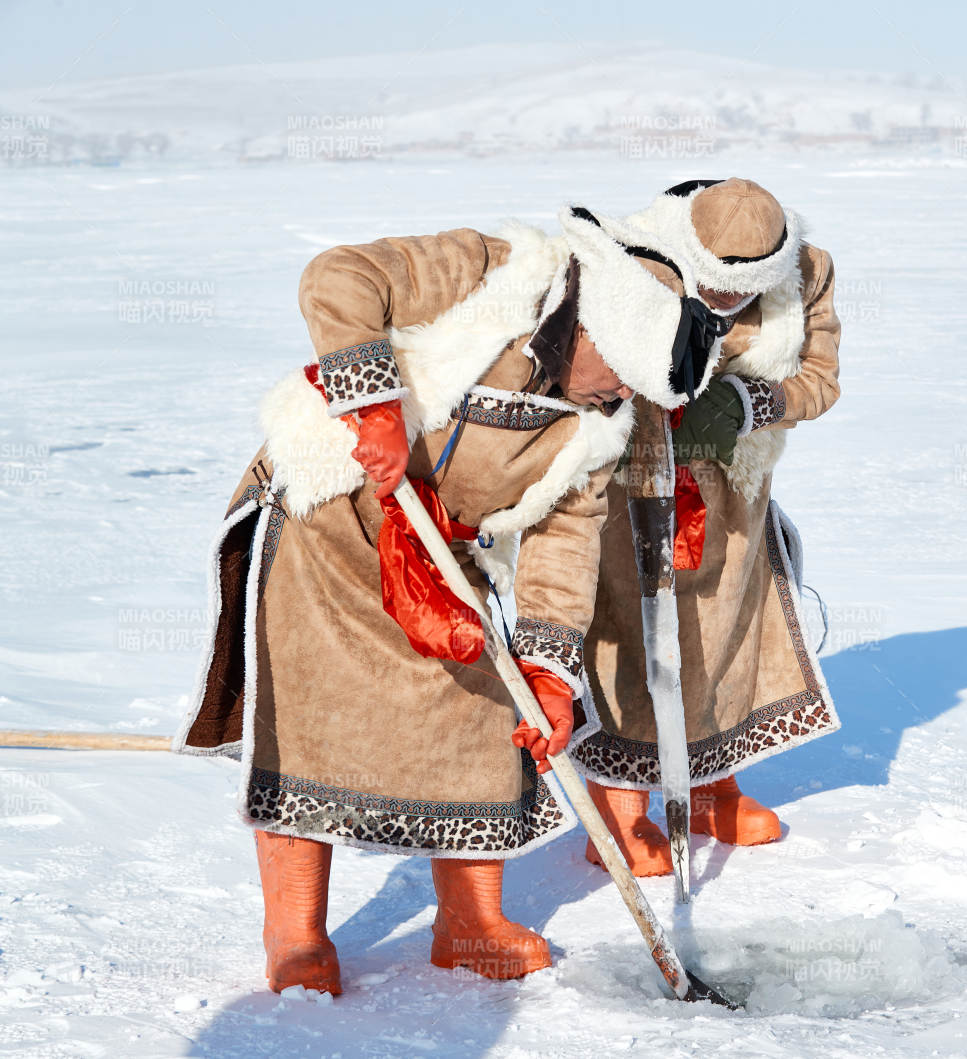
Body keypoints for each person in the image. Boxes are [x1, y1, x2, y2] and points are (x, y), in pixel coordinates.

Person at [175, 206, 721, 995]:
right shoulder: (493, 270)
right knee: (313, 715)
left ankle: (468, 921)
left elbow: (563, 547)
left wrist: (548, 673)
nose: (621, 400)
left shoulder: (602, 419)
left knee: (489, 714)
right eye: (622, 379)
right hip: (330, 508)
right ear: (600, 331)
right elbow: (337, 275)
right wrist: (375, 406)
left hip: (443, 546)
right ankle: (295, 932)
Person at [571, 178, 843, 874]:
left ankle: (712, 784)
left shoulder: (808, 273)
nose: (726, 304)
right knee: (629, 633)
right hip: (629, 481)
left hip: (735, 488)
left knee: (725, 633)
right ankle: (620, 804)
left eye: (740, 293)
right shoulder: (629, 261)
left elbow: (820, 377)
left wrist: (756, 401)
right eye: (716, 288)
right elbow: (575, 370)